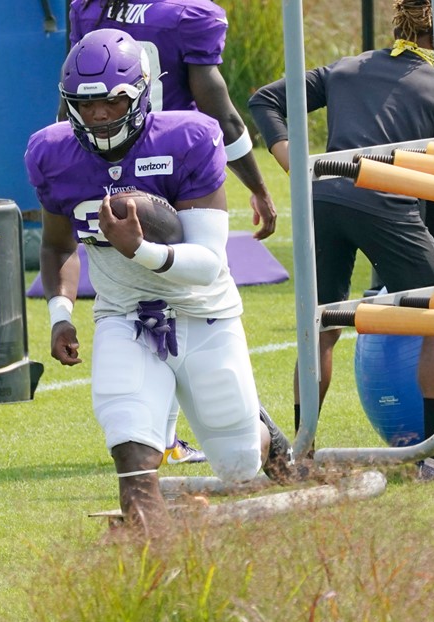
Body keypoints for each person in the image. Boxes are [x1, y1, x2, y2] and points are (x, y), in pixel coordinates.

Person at [26, 28, 294, 536]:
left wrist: (141, 249)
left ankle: (265, 438)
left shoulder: (187, 138)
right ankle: (155, 565)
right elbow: (58, 245)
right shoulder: (53, 153)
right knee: (128, 436)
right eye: (85, 105)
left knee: (238, 464)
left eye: (111, 102)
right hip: (124, 314)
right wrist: (60, 314)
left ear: (141, 94)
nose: (98, 115)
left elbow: (210, 262)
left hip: (203, 312)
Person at [248, 0, 434, 480]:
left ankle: (304, 454)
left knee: (320, 327)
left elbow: (264, 99)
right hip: (383, 201)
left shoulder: (346, 67)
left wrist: (299, 167)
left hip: (324, 197)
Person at [69, 0, 279, 467]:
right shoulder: (189, 14)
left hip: (107, 166)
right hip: (174, 166)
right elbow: (221, 114)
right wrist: (259, 187)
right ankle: (240, 436)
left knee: (143, 307)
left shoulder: (89, 8)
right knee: (182, 306)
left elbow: (74, 102)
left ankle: (231, 432)